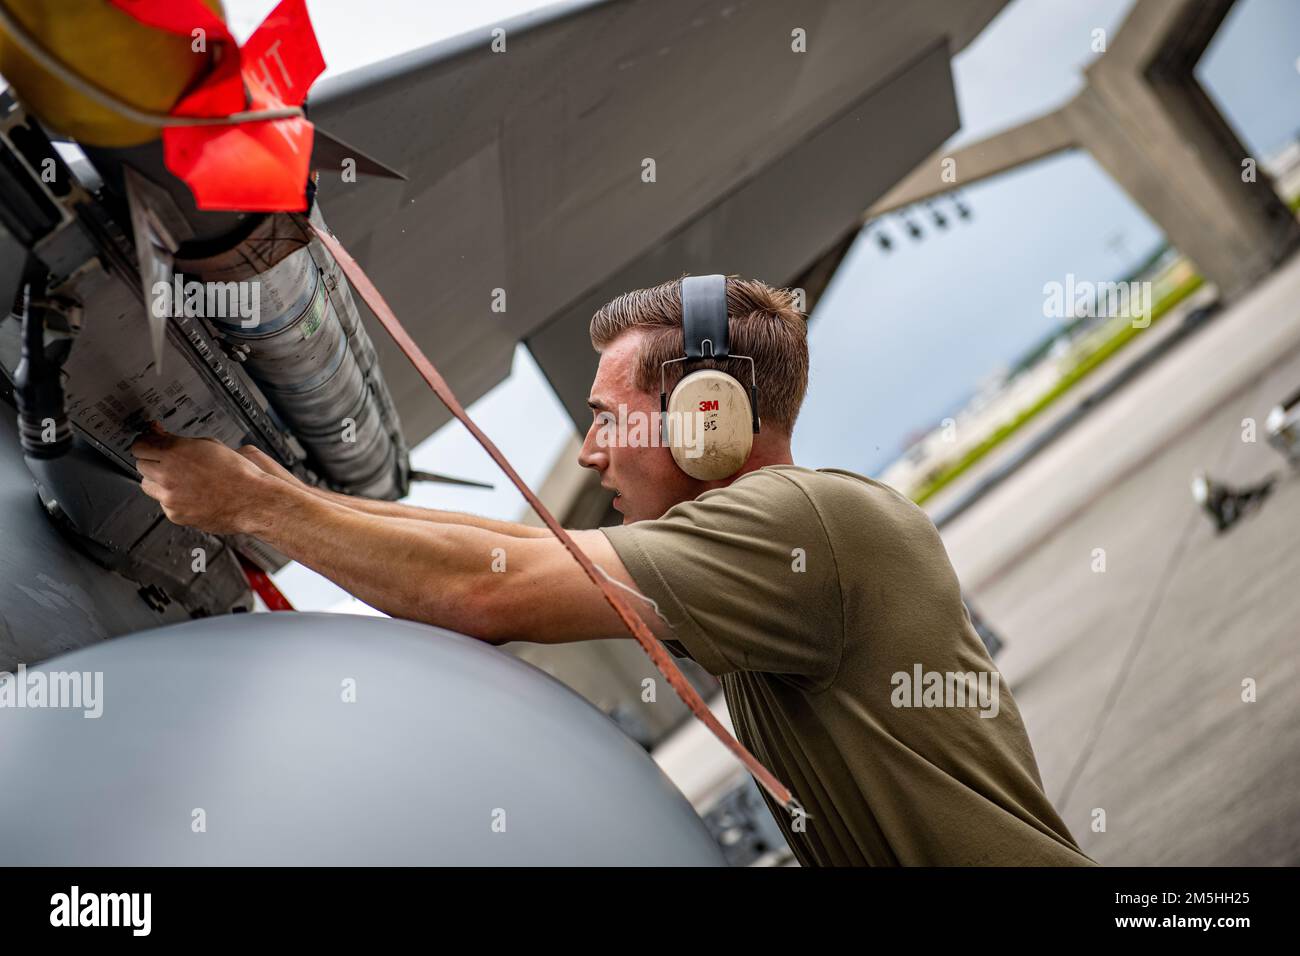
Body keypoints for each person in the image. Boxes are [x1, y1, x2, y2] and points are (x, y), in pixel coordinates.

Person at [132, 274, 1095, 866]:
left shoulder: (792, 524)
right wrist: (286, 490)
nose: (592, 453)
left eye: (605, 416)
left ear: (705, 420)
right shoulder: (797, 526)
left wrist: (257, 507)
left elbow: (489, 584)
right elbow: (496, 552)